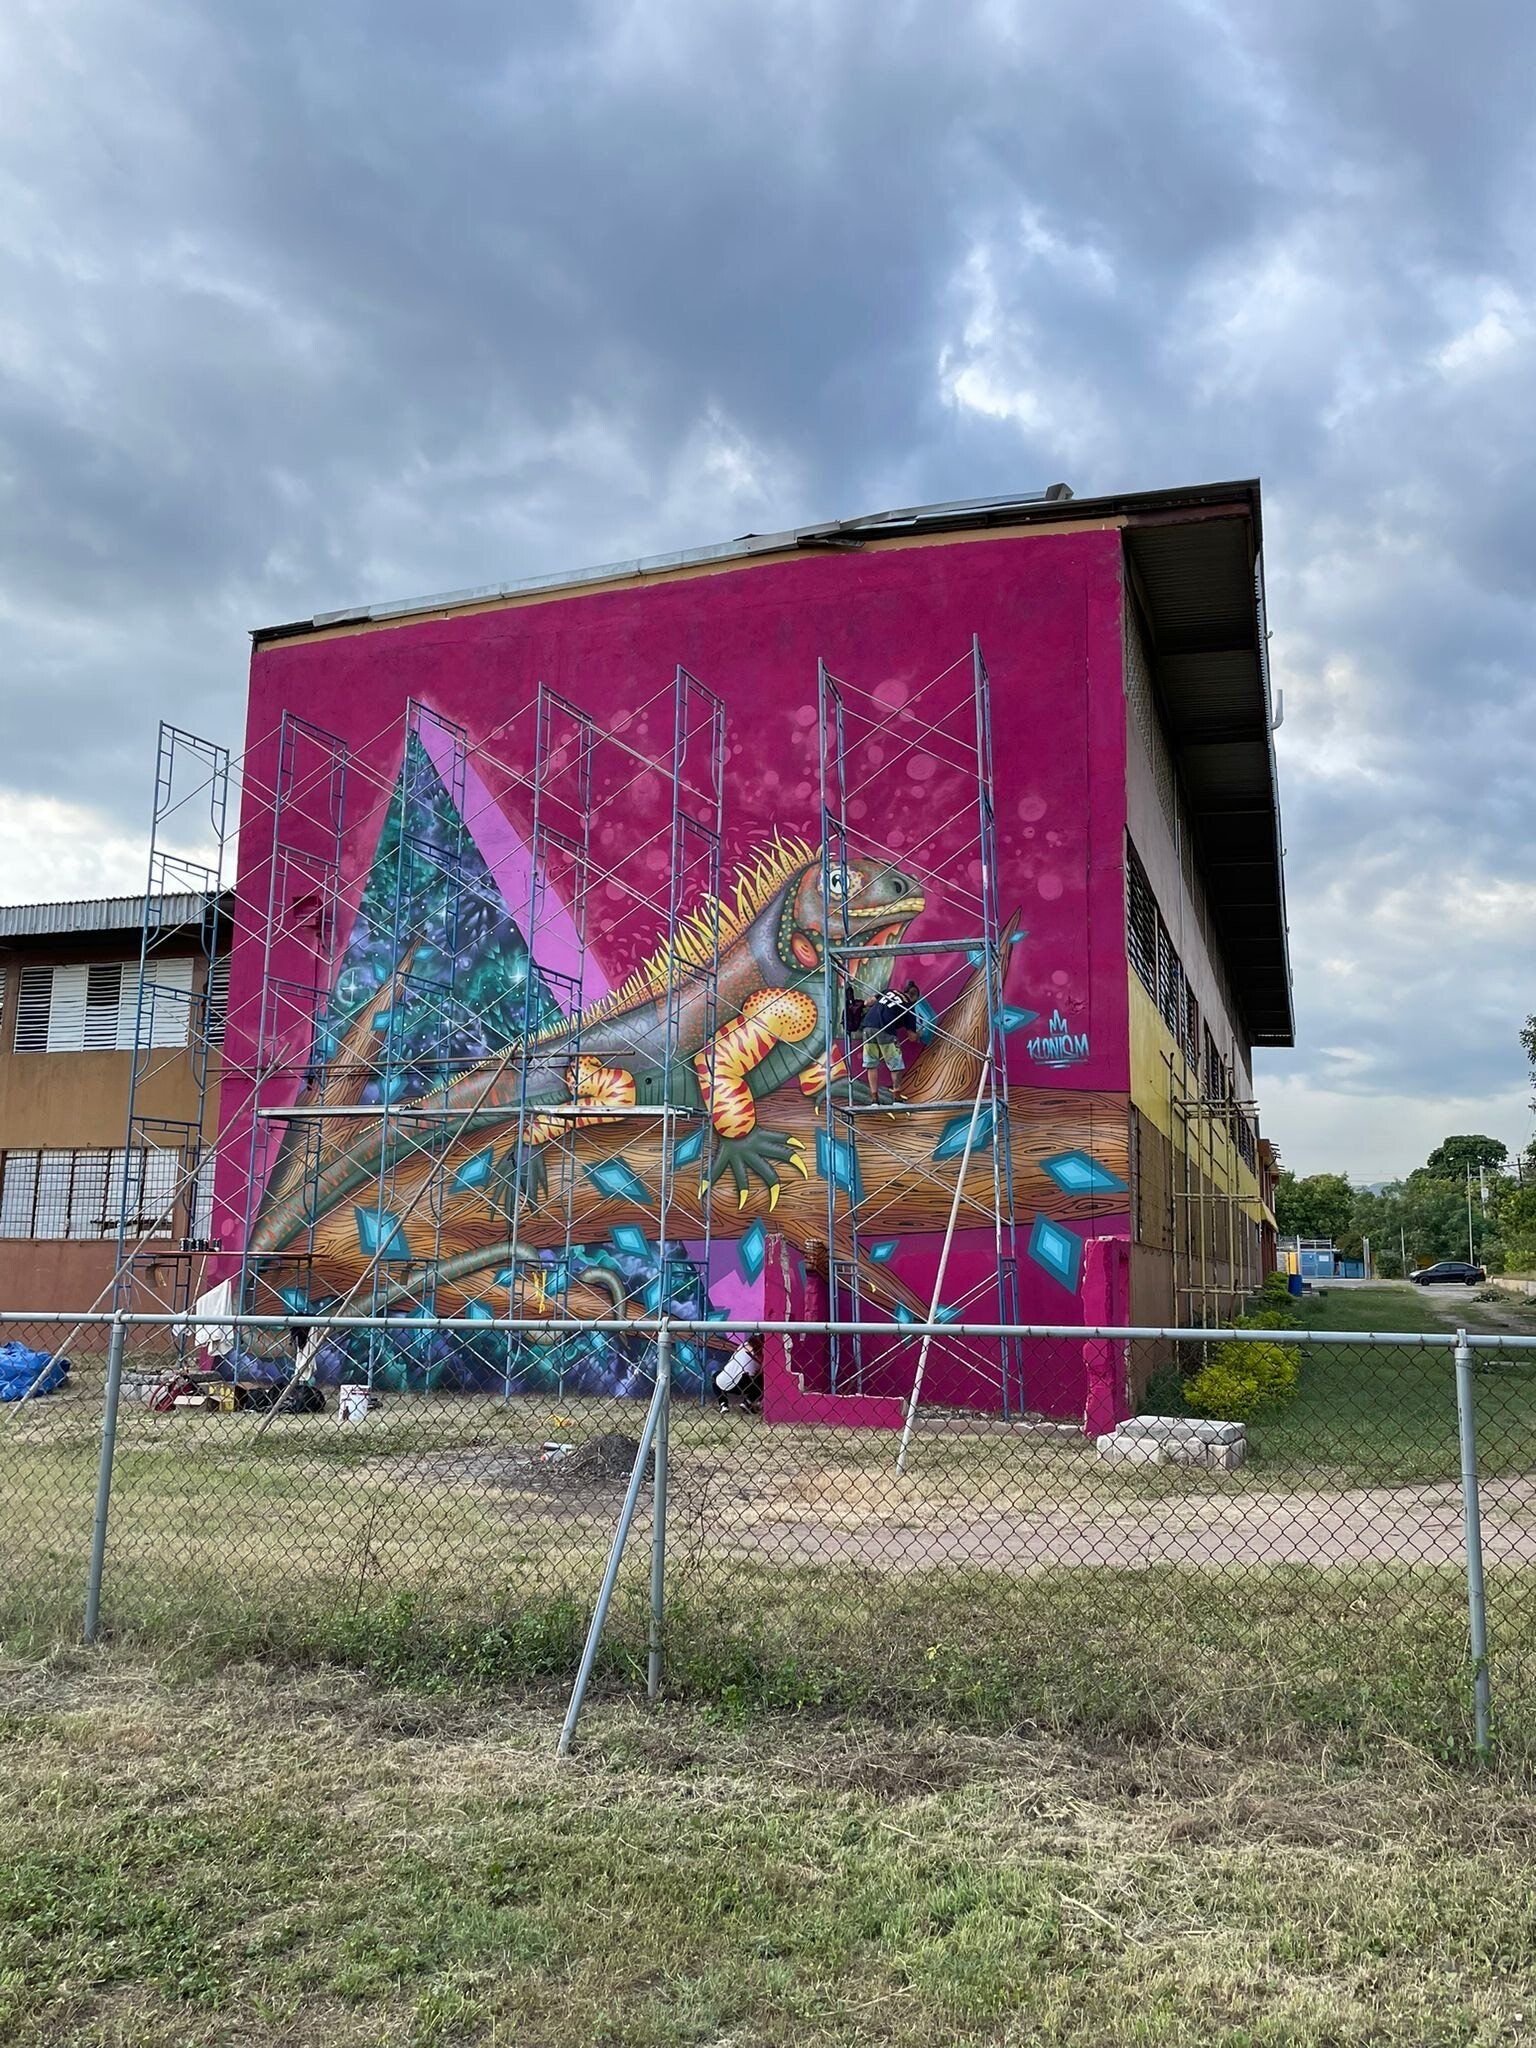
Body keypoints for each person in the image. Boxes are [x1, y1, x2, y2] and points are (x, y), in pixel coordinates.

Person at [861, 978, 923, 1088]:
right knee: (896, 1065)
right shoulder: (909, 1006)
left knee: (871, 1064)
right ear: (914, 998)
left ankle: (874, 1100)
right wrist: (920, 1033)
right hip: (886, 1029)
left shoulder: (888, 991)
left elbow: (867, 1002)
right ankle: (897, 1096)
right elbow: (912, 1038)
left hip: (868, 1026)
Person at [713, 1330, 764, 1413]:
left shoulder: (743, 1346)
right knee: (763, 1379)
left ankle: (723, 1404)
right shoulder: (762, 1355)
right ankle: (748, 1402)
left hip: (723, 1381)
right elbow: (760, 1372)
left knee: (715, 1376)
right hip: (743, 1384)